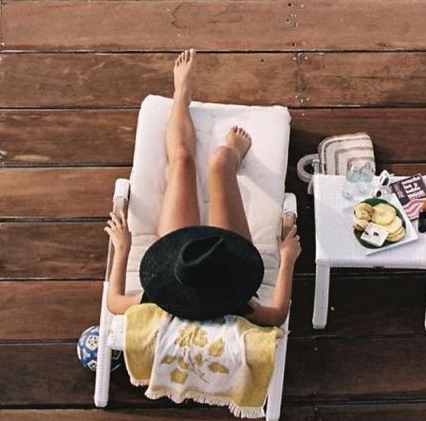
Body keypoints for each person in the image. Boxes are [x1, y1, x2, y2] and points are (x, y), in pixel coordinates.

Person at [104, 49, 300, 327]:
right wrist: (287, 260)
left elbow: (114, 302)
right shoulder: (236, 300)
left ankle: (181, 94)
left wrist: (122, 248)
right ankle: (231, 155)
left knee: (182, 160)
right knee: (221, 161)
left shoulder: (162, 295)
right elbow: (277, 315)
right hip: (225, 257)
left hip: (180, 259)